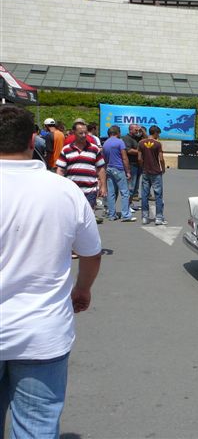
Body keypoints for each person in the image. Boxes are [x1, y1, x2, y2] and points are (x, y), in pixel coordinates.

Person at [0, 105, 102, 438]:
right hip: (42, 332)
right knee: (37, 428)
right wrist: (82, 289)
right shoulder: (64, 190)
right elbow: (91, 253)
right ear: (34, 140)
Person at [56, 122, 107, 225]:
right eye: (80, 133)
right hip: (72, 191)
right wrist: (58, 186)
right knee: (73, 218)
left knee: (88, 218)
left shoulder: (94, 149)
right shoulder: (66, 150)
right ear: (74, 133)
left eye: (85, 133)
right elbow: (60, 170)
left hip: (90, 190)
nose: (84, 135)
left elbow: (101, 168)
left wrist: (103, 186)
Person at [102, 125, 136, 222]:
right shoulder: (120, 142)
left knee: (111, 193)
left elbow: (104, 159)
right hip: (119, 168)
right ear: (118, 132)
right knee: (125, 192)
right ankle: (126, 214)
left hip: (109, 168)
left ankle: (112, 214)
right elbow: (124, 157)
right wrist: (128, 171)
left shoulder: (105, 143)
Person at [138, 125, 167, 225]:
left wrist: (143, 166)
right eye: (158, 134)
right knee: (158, 195)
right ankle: (159, 217)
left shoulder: (141, 143)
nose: (158, 136)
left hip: (146, 171)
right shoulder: (158, 144)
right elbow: (161, 158)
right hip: (156, 172)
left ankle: (145, 217)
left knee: (144, 194)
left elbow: (139, 158)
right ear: (155, 133)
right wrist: (163, 168)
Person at [122, 124, 142, 201]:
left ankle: (132, 199)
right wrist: (140, 152)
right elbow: (129, 150)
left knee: (136, 184)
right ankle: (127, 203)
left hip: (138, 164)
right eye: (136, 130)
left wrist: (142, 130)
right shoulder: (126, 138)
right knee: (131, 185)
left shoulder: (137, 137)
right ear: (130, 130)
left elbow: (147, 138)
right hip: (131, 164)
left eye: (138, 130)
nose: (137, 131)